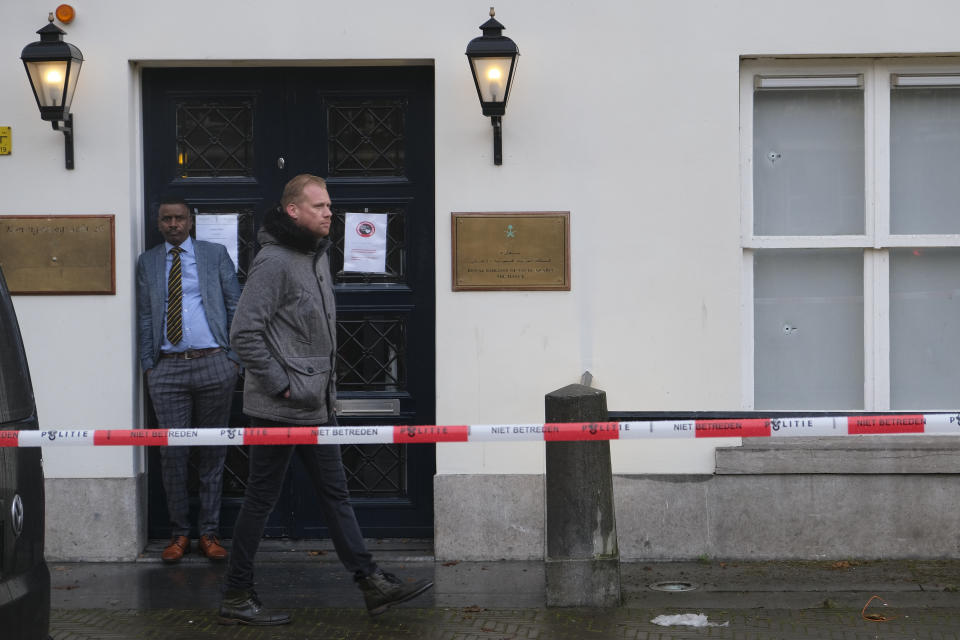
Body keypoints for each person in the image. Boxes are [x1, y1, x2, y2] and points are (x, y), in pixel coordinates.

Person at [219, 174, 432, 626]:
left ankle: (370, 581)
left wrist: (312, 392)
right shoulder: (273, 261)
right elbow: (243, 333)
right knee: (261, 500)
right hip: (279, 409)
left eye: (330, 206)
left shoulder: (314, 256)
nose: (329, 213)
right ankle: (237, 592)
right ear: (293, 210)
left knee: (336, 495)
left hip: (316, 406)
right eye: (319, 206)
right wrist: (283, 386)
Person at [136, 196, 241, 564]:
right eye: (166, 219)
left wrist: (234, 359)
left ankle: (209, 533)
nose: (173, 225)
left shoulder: (213, 254)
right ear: (159, 223)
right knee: (172, 454)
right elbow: (146, 316)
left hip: (214, 363)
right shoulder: (148, 262)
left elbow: (236, 304)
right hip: (167, 369)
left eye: (179, 218)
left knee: (213, 452)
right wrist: (150, 364)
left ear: (191, 221)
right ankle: (179, 533)